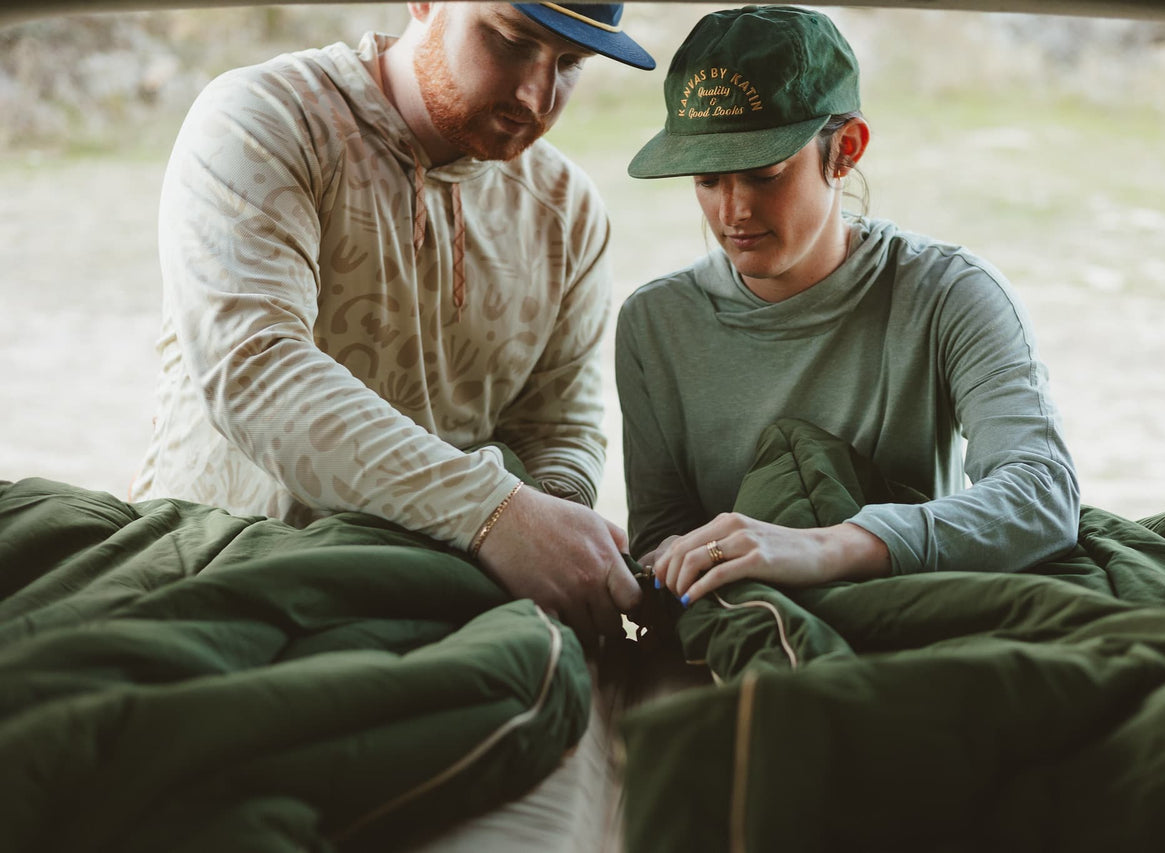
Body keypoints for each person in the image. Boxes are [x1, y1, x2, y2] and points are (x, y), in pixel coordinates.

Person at [131, 3, 656, 641]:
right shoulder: (263, 118)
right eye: (513, 41)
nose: (538, 96)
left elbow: (559, 425)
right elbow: (256, 369)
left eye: (571, 63)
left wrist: (547, 529)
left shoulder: (568, 210)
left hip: (426, 617)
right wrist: (497, 514)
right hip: (207, 584)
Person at [618, 5, 1080, 606]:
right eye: (707, 180)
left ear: (846, 150)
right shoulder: (654, 324)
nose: (732, 211)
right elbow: (661, 536)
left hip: (910, 618)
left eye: (762, 174)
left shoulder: (950, 294)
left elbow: (1042, 492)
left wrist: (824, 548)